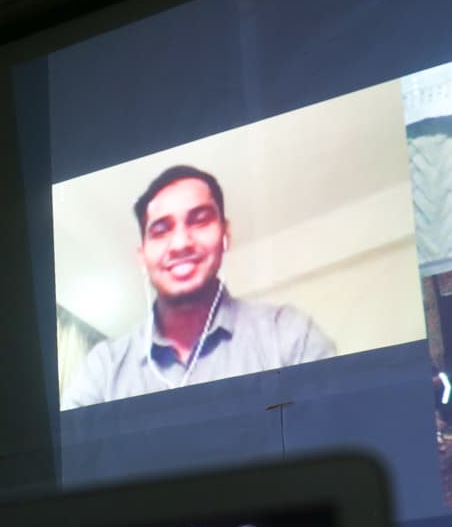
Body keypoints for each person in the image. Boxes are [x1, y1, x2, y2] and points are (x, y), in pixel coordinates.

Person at [62, 165, 336, 409]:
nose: (181, 243)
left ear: (225, 235)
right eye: (160, 230)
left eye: (200, 219)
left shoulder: (288, 334)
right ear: (142, 255)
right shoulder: (103, 368)